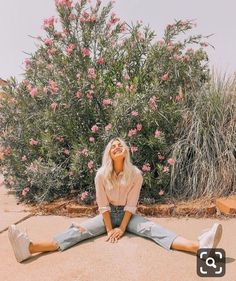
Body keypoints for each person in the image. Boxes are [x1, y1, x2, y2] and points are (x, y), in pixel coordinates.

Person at [8, 137, 223, 263]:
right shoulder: (100, 174)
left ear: (126, 151)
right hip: (107, 215)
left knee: (153, 229)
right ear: (109, 154)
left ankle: (199, 247)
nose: (117, 147)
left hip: (128, 215)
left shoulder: (136, 174)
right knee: (79, 232)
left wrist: (124, 227)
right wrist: (111, 229)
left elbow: (131, 205)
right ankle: (29, 248)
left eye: (120, 144)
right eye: (113, 146)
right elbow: (102, 205)